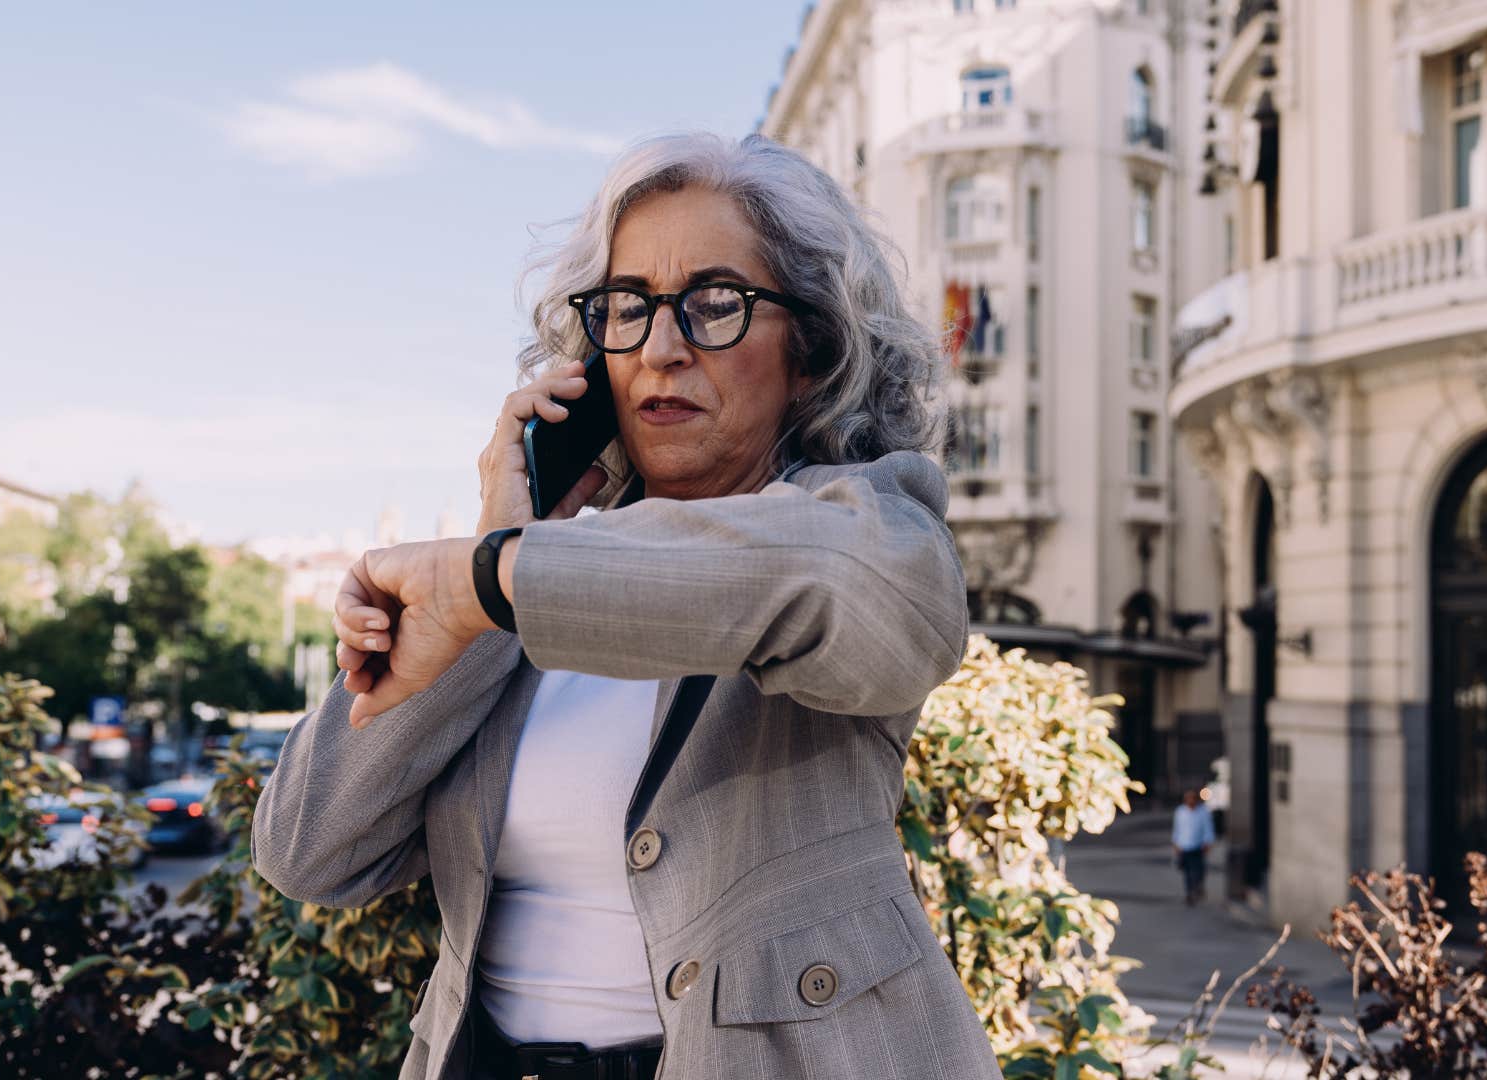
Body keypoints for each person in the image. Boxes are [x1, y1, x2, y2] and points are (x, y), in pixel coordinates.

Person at [252, 133, 1001, 1080]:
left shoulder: (869, 527)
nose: (660, 347)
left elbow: (823, 586)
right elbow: (307, 850)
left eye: (715, 305)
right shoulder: (523, 580)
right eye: (626, 308)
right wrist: (495, 561)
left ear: (810, 347)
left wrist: (493, 579)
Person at [1172, 785, 1216, 905]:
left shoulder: (1203, 812)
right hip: (1184, 846)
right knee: (1187, 872)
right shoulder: (1180, 812)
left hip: (1198, 846)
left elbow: (1208, 829)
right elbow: (1177, 829)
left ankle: (1198, 886)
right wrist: (1176, 843)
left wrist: (1208, 842)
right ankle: (1189, 892)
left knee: (1198, 870)